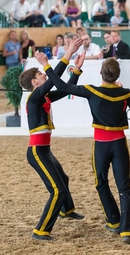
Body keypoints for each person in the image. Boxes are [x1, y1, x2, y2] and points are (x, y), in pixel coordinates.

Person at [35, 51, 130, 244]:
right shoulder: (125, 93)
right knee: (125, 186)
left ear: (101, 72)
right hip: (119, 144)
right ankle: (127, 231)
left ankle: (114, 221)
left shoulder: (92, 91)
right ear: (117, 76)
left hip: (100, 145)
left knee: (101, 183)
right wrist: (122, 90)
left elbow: (63, 86)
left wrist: (48, 66)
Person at [18, 39, 86, 241]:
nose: (44, 75)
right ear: (34, 83)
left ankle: (67, 210)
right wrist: (67, 54)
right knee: (57, 190)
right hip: (37, 152)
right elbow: (52, 81)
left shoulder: (44, 96)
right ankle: (41, 230)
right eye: (40, 75)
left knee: (63, 180)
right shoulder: (35, 97)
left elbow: (65, 89)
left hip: (45, 150)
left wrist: (76, 71)